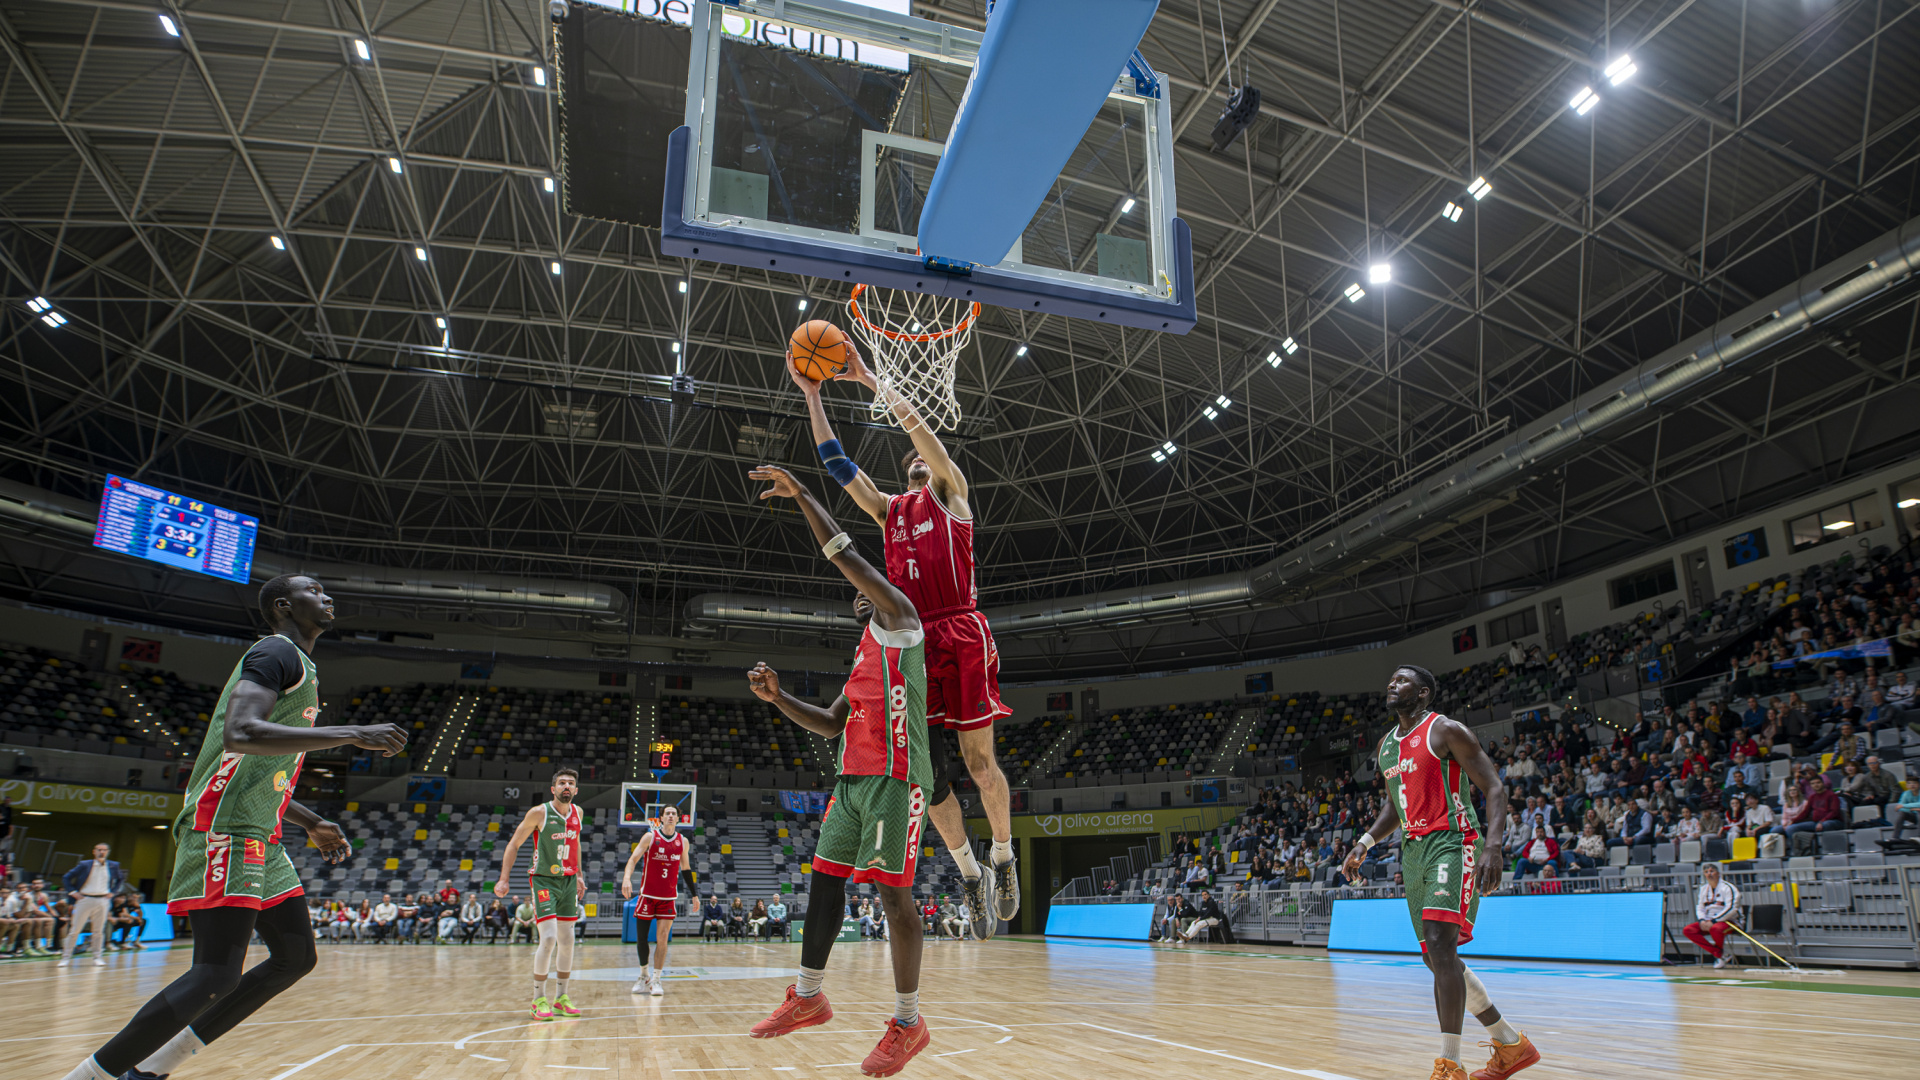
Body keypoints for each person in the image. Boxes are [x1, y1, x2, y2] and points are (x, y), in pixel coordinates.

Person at [58, 574, 406, 1080]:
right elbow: (240, 734)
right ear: (284, 605)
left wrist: (310, 820)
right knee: (215, 974)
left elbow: (259, 771)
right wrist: (353, 732)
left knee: (294, 958)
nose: (327, 597)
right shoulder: (275, 651)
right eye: (314, 590)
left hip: (260, 832)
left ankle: (152, 1068)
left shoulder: (300, 663)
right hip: (224, 828)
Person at [794, 346, 1018, 937]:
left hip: (962, 632)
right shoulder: (888, 510)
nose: (917, 460)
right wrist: (813, 394)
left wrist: (871, 379)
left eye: (923, 456)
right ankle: (969, 872)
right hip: (915, 643)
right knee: (932, 778)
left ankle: (1002, 856)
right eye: (910, 460)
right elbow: (838, 466)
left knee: (980, 765)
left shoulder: (953, 494)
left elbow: (922, 432)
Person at [743, 463, 934, 1076]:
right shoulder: (864, 653)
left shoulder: (902, 619)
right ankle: (808, 995)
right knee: (825, 880)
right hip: (852, 781)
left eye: (865, 581)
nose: (858, 588)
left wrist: (802, 492)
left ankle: (908, 1022)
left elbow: (842, 552)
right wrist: (779, 699)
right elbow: (830, 723)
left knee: (893, 897)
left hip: (897, 779)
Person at [1344, 664, 1541, 1080]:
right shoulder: (1386, 746)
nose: (1392, 684)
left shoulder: (1446, 730)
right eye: (1391, 679)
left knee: (1439, 943)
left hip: (1454, 840)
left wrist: (1493, 846)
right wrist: (1365, 842)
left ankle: (1451, 1065)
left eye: (1402, 681)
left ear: (1423, 693)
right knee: (1436, 957)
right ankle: (1510, 1044)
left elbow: (1494, 787)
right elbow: (1394, 806)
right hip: (1414, 851)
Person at [495, 767, 589, 1020]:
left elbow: (576, 843)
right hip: (544, 880)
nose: (566, 786)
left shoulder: (578, 813)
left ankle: (561, 998)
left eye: (570, 783)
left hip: (569, 880)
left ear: (576, 790)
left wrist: (580, 875)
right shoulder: (539, 812)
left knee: (568, 941)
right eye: (562, 783)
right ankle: (538, 999)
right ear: (553, 788)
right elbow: (514, 844)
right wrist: (504, 879)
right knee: (548, 938)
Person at [622, 804, 692, 997]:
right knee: (642, 939)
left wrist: (694, 894)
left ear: (678, 818)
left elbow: (686, 869)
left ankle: (656, 979)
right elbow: (633, 859)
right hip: (647, 896)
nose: (670, 816)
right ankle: (643, 975)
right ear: (660, 818)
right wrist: (626, 878)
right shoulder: (650, 837)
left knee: (662, 939)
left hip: (667, 898)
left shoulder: (683, 841)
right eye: (667, 813)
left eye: (673, 814)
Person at [57, 842, 125, 968]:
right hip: (85, 899)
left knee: (98, 931)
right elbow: (66, 877)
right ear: (94, 851)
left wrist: (113, 892)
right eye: (99, 849)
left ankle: (97, 957)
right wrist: (73, 892)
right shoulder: (85, 864)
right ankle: (65, 957)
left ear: (108, 852)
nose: (101, 852)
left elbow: (121, 879)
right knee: (75, 930)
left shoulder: (113, 865)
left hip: (103, 900)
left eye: (104, 850)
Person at [1682, 862, 1741, 968]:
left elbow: (1732, 908)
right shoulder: (1703, 889)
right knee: (1688, 930)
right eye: (1706, 872)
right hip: (1708, 920)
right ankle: (1719, 954)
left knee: (1715, 928)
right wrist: (1702, 920)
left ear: (1718, 873)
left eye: (1712, 871)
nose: (1709, 874)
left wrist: (1714, 920)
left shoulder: (1728, 887)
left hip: (1729, 921)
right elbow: (1700, 907)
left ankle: (1719, 957)